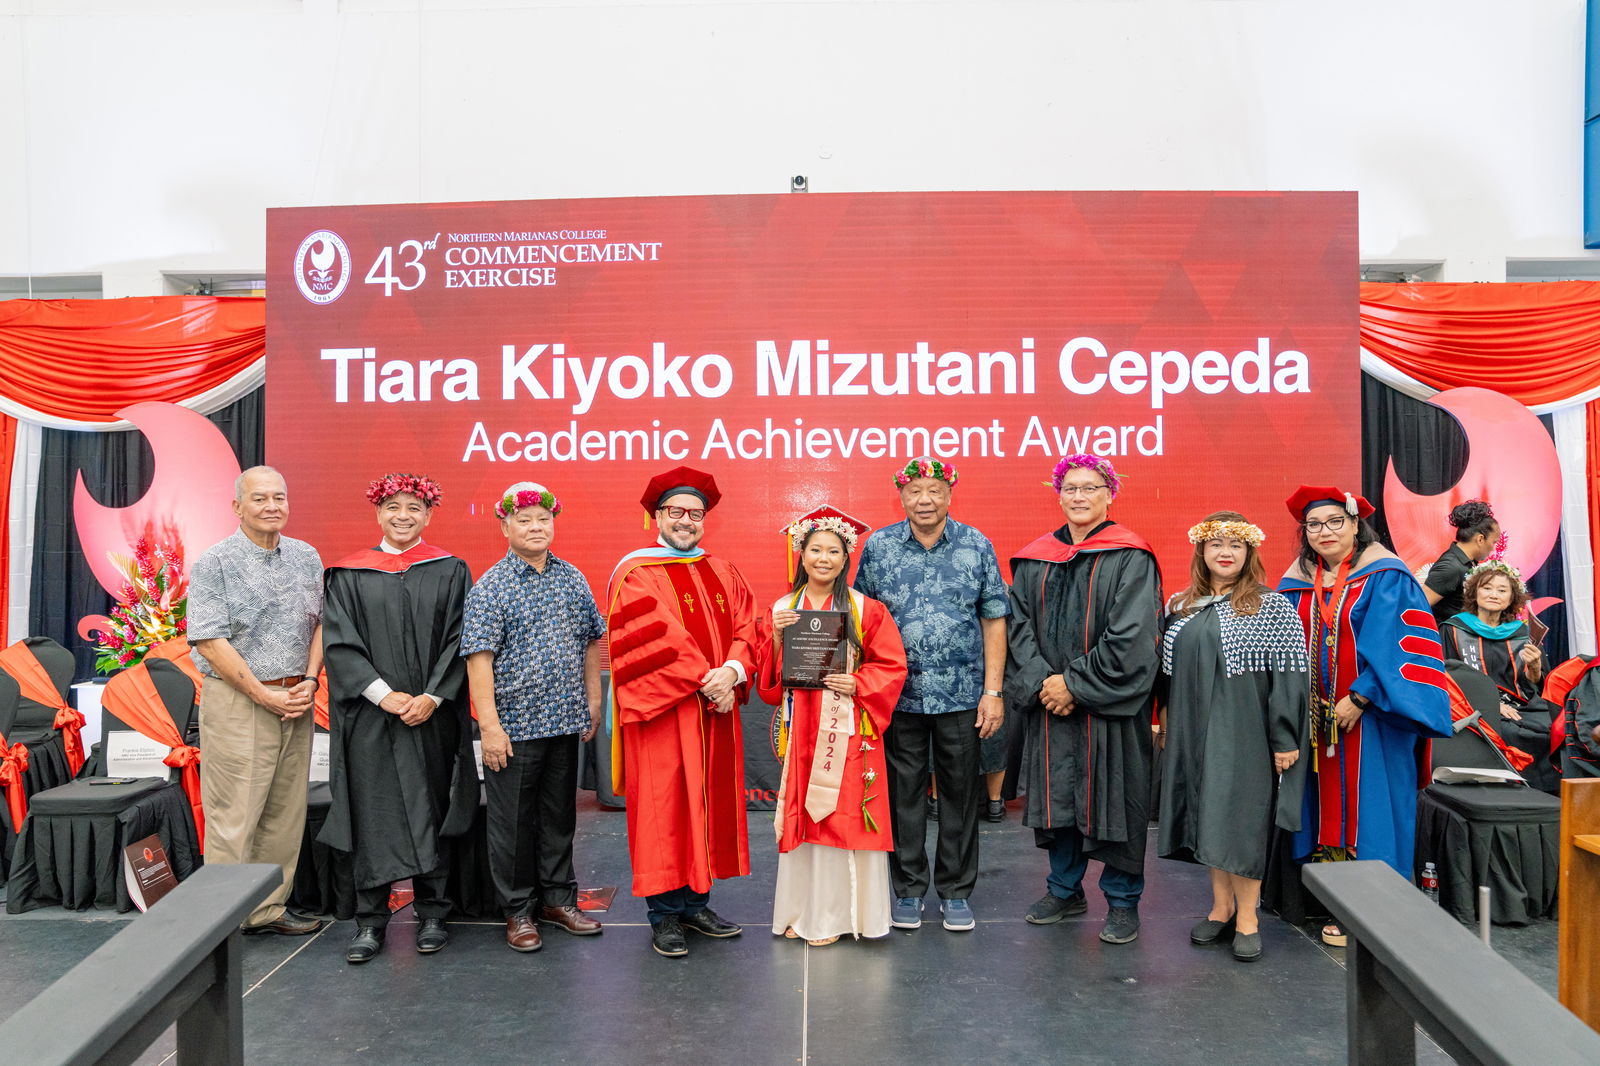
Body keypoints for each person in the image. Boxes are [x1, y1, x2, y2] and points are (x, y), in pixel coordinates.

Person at [1277, 485, 1452, 946]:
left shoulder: (1385, 575)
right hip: (1316, 719)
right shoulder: (1295, 581)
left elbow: (1401, 645)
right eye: (1314, 525)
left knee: (1372, 805)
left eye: (1336, 521)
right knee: (1323, 802)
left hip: (1374, 716)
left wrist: (1360, 697)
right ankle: (1333, 896)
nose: (1325, 531)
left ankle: (1379, 908)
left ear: (1356, 524)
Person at [320, 473, 477, 964]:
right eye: (393, 506)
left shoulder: (450, 569)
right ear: (378, 513)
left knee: (433, 803)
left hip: (433, 714)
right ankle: (371, 920)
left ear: (428, 515)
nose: (403, 515)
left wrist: (432, 696)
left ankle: (432, 912)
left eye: (414, 507)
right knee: (374, 811)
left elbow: (461, 640)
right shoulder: (348, 574)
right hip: (373, 717)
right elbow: (339, 643)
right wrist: (385, 696)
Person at [1006, 454, 1162, 945]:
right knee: (1060, 801)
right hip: (1054, 708)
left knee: (1115, 799)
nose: (1079, 496)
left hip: (1108, 709)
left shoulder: (1131, 556)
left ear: (1109, 494)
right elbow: (1017, 630)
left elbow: (1132, 638)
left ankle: (1121, 901)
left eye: (1090, 487)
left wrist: (1072, 684)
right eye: (1071, 488)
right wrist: (1044, 683)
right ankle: (1064, 889)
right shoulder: (1036, 558)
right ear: (1059, 495)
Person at [606, 466, 758, 958]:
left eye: (696, 513)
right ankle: (664, 914)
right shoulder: (635, 574)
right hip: (665, 716)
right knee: (665, 809)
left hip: (715, 711)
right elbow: (655, 639)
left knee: (706, 806)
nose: (687, 521)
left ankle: (696, 903)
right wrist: (706, 680)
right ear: (657, 517)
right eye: (676, 512)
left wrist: (732, 672)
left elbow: (747, 626)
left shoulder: (724, 570)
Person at [854, 457, 1010, 933]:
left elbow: (994, 619)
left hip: (963, 696)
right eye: (915, 491)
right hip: (896, 695)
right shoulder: (879, 547)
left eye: (935, 491)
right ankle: (907, 889)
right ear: (901, 495)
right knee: (903, 796)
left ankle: (956, 892)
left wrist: (994, 692)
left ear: (950, 494)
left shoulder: (975, 545)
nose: (925, 500)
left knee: (961, 796)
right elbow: (859, 618)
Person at [1156, 512, 1308, 963]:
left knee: (1239, 820)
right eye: (1216, 543)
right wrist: (1165, 724)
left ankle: (1249, 917)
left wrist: (1285, 737)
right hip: (1191, 728)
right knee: (1207, 816)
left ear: (1249, 553)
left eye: (1236, 545)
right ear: (1201, 551)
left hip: (1243, 731)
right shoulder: (1181, 605)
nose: (1225, 552)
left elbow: (1289, 677)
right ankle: (1221, 908)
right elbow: (1167, 677)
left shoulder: (1271, 606)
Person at [462, 481, 606, 953]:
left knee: (559, 818)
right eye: (524, 520)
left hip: (565, 720)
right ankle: (518, 910)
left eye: (543, 519)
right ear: (505, 526)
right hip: (514, 727)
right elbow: (478, 660)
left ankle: (558, 900)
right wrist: (490, 727)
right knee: (513, 824)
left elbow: (590, 640)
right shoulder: (491, 587)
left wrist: (594, 698)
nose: (535, 527)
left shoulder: (572, 577)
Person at [755, 507, 907, 945]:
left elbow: (892, 666)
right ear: (801, 555)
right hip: (801, 724)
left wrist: (858, 680)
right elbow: (768, 682)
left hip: (848, 727)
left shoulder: (866, 609)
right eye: (815, 549)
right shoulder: (783, 609)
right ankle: (800, 910)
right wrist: (776, 637)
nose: (823, 558)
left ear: (846, 559)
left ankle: (837, 918)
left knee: (841, 815)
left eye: (833, 551)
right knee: (803, 814)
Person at [188, 466, 325, 934]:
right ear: (237, 507)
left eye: (279, 498)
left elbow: (322, 624)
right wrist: (262, 694)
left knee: (284, 813)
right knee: (235, 815)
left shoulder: (307, 557)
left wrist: (310, 678)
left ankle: (265, 910)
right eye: (260, 499)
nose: (272, 507)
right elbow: (209, 640)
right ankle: (220, 925)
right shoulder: (215, 562)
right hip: (239, 701)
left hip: (296, 698)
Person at [1438, 559, 1554, 789]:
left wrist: (1534, 668)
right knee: (1511, 732)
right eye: (1487, 588)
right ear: (1474, 592)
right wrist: (1491, 703)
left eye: (1502, 590)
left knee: (1551, 728)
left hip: (1522, 705)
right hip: (1470, 706)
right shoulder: (1453, 628)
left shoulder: (1523, 633)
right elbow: (1448, 677)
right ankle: (1516, 792)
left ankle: (1548, 797)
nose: (1494, 594)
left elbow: (1538, 685)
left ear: (1512, 598)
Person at [1423, 501, 1499, 625]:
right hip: (1447, 640)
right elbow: (1417, 608)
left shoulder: (1468, 561)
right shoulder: (1450, 567)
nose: (1493, 548)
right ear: (1480, 539)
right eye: (1494, 542)